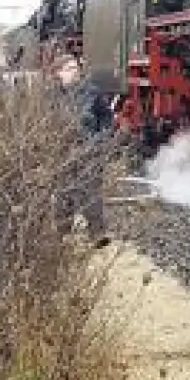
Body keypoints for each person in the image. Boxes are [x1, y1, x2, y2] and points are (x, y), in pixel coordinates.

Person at [55, 56, 111, 247]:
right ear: (59, 73)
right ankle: (62, 233)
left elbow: (106, 117)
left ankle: (97, 234)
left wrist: (100, 139)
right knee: (64, 192)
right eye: (69, 68)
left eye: (76, 68)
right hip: (62, 150)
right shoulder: (51, 96)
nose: (75, 71)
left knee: (92, 191)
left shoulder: (92, 93)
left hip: (88, 148)